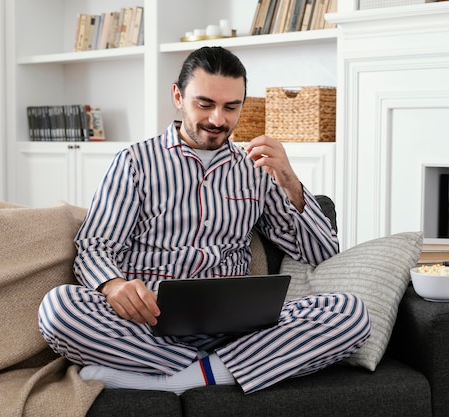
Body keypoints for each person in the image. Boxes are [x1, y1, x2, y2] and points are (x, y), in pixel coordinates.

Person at [38, 46, 370, 395]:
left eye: (231, 107)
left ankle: (184, 379)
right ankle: (226, 368)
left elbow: (322, 254)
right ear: (178, 96)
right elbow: (95, 245)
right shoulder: (135, 163)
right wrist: (113, 285)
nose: (217, 120)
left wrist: (290, 180)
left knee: (351, 313)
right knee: (59, 309)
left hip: (241, 328)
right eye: (205, 104)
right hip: (149, 324)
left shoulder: (255, 170)